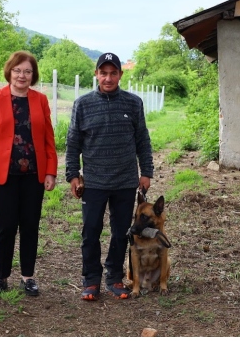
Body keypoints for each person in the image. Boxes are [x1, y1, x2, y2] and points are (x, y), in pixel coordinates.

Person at [65, 52, 154, 301]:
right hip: (93, 181)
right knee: (91, 230)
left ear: (120, 75)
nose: (108, 78)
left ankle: (114, 277)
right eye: (103, 73)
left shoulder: (133, 103)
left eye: (113, 73)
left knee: (121, 231)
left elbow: (142, 140)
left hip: (125, 181)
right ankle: (90, 279)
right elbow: (73, 143)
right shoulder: (82, 104)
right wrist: (73, 175)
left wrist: (146, 171)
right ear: (96, 75)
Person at [0, 51, 58, 297]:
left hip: (34, 174)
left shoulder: (40, 100)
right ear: (10, 72)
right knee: (6, 226)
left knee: (30, 225)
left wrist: (51, 171)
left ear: (33, 75)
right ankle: (1, 276)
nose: (22, 75)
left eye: (27, 71)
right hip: (3, 175)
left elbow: (48, 139)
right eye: (18, 70)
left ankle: (28, 277)